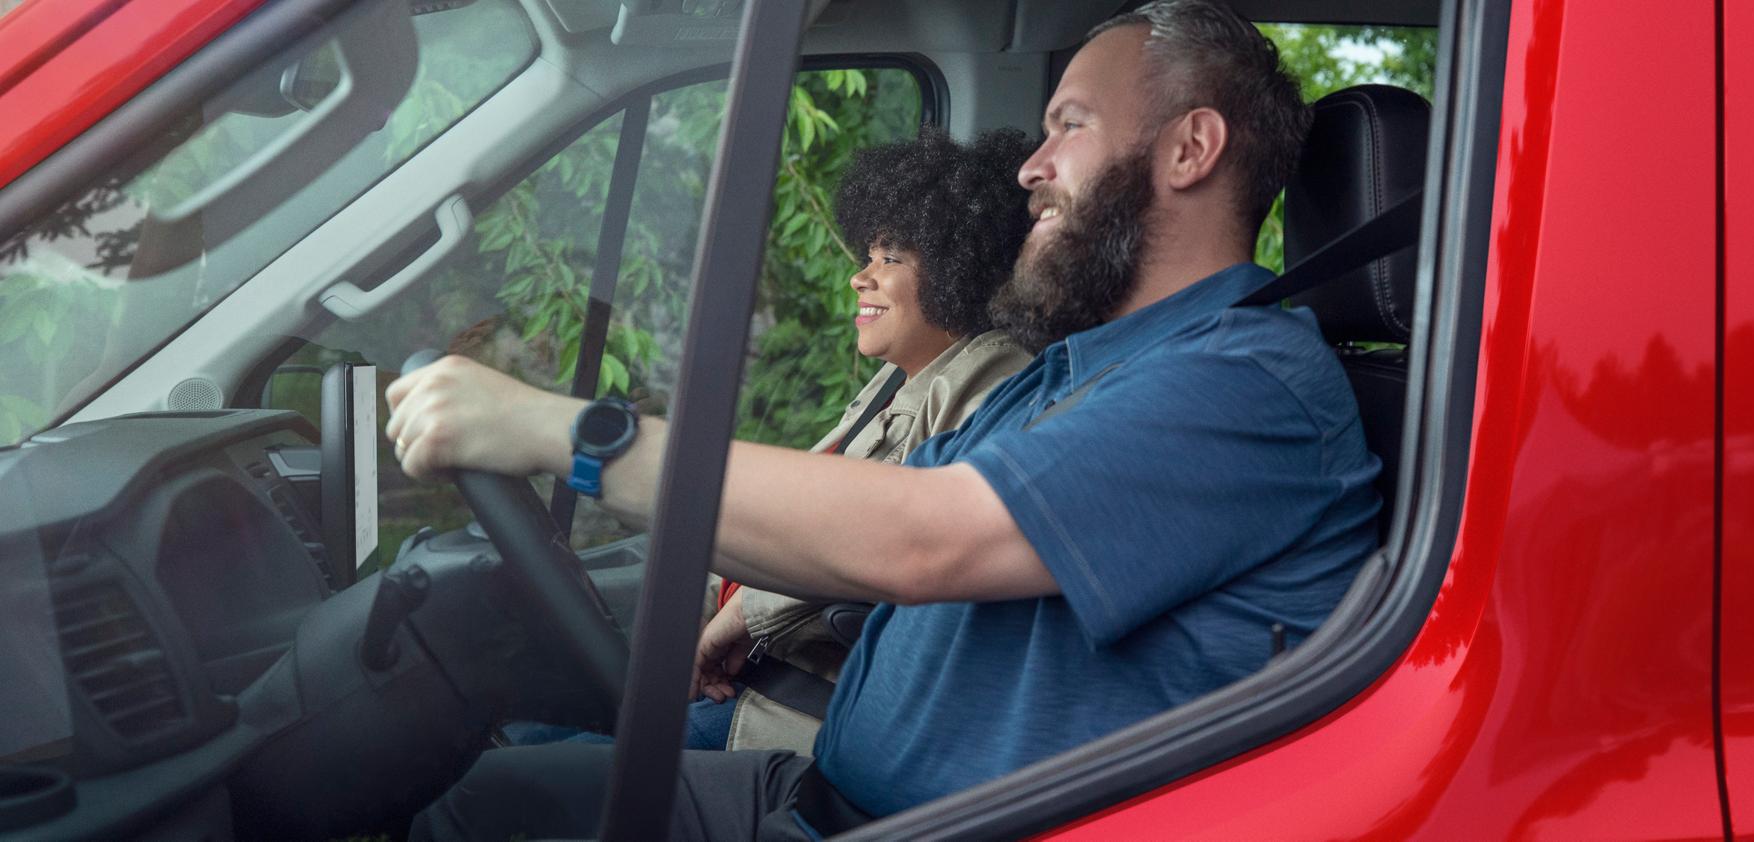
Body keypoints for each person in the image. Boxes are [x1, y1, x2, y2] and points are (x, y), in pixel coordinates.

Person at [393, 1, 1379, 837]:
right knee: (467, 794)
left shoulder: (1249, 381)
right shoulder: (1077, 368)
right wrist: (747, 609)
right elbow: (894, 506)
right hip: (824, 791)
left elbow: (927, 536)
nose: (1031, 166)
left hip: (922, 821)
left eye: (1068, 125)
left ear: (1189, 148)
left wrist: (564, 434)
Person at [685, 128, 1036, 754]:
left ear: (963, 266)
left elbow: (889, 530)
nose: (860, 278)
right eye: (868, 255)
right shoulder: (897, 379)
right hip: (758, 684)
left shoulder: (991, 375)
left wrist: (733, 620)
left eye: (890, 259)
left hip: (802, 714)